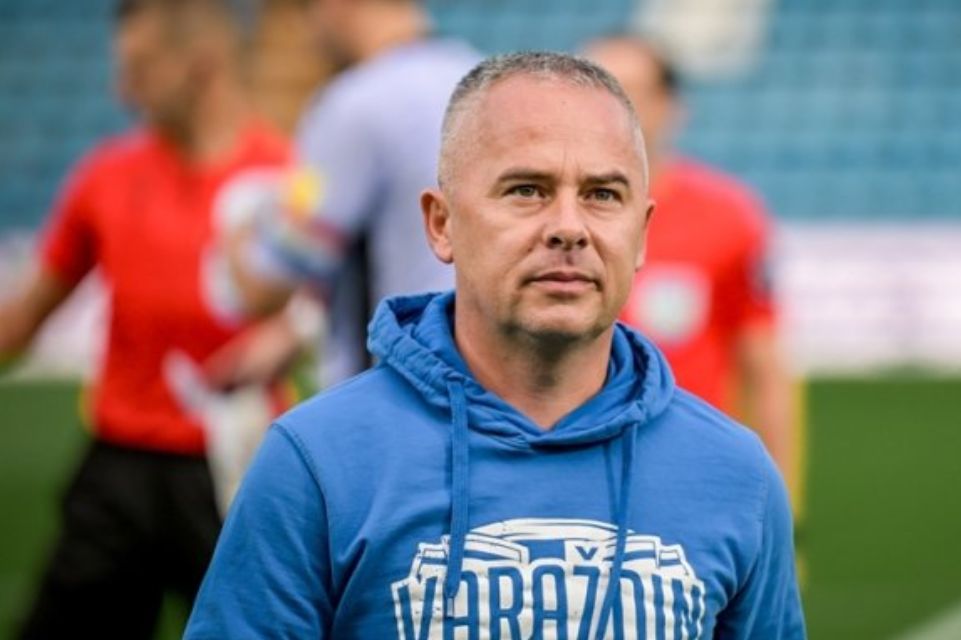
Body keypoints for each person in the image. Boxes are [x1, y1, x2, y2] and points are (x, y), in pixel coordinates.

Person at [185, 51, 805, 638]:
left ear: (641, 235)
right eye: (527, 190)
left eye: (602, 195)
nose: (568, 228)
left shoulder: (738, 478)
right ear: (442, 224)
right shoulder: (316, 462)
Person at [0, 1, 291, 636]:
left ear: (201, 64)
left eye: (140, 68)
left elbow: (322, 311)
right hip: (117, 471)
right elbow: (23, 318)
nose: (121, 90)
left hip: (236, 470)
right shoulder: (104, 177)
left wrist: (286, 334)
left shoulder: (285, 178)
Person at [209, 0, 481, 389]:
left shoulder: (353, 104)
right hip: (485, 384)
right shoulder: (482, 81)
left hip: (396, 391)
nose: (310, 30)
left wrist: (241, 220)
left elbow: (267, 284)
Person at [585, 35, 798, 493]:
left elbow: (765, 368)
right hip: (571, 469)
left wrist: (780, 506)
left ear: (671, 106)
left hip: (689, 478)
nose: (608, 110)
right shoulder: (543, 219)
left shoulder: (728, 215)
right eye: (593, 91)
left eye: (628, 92)